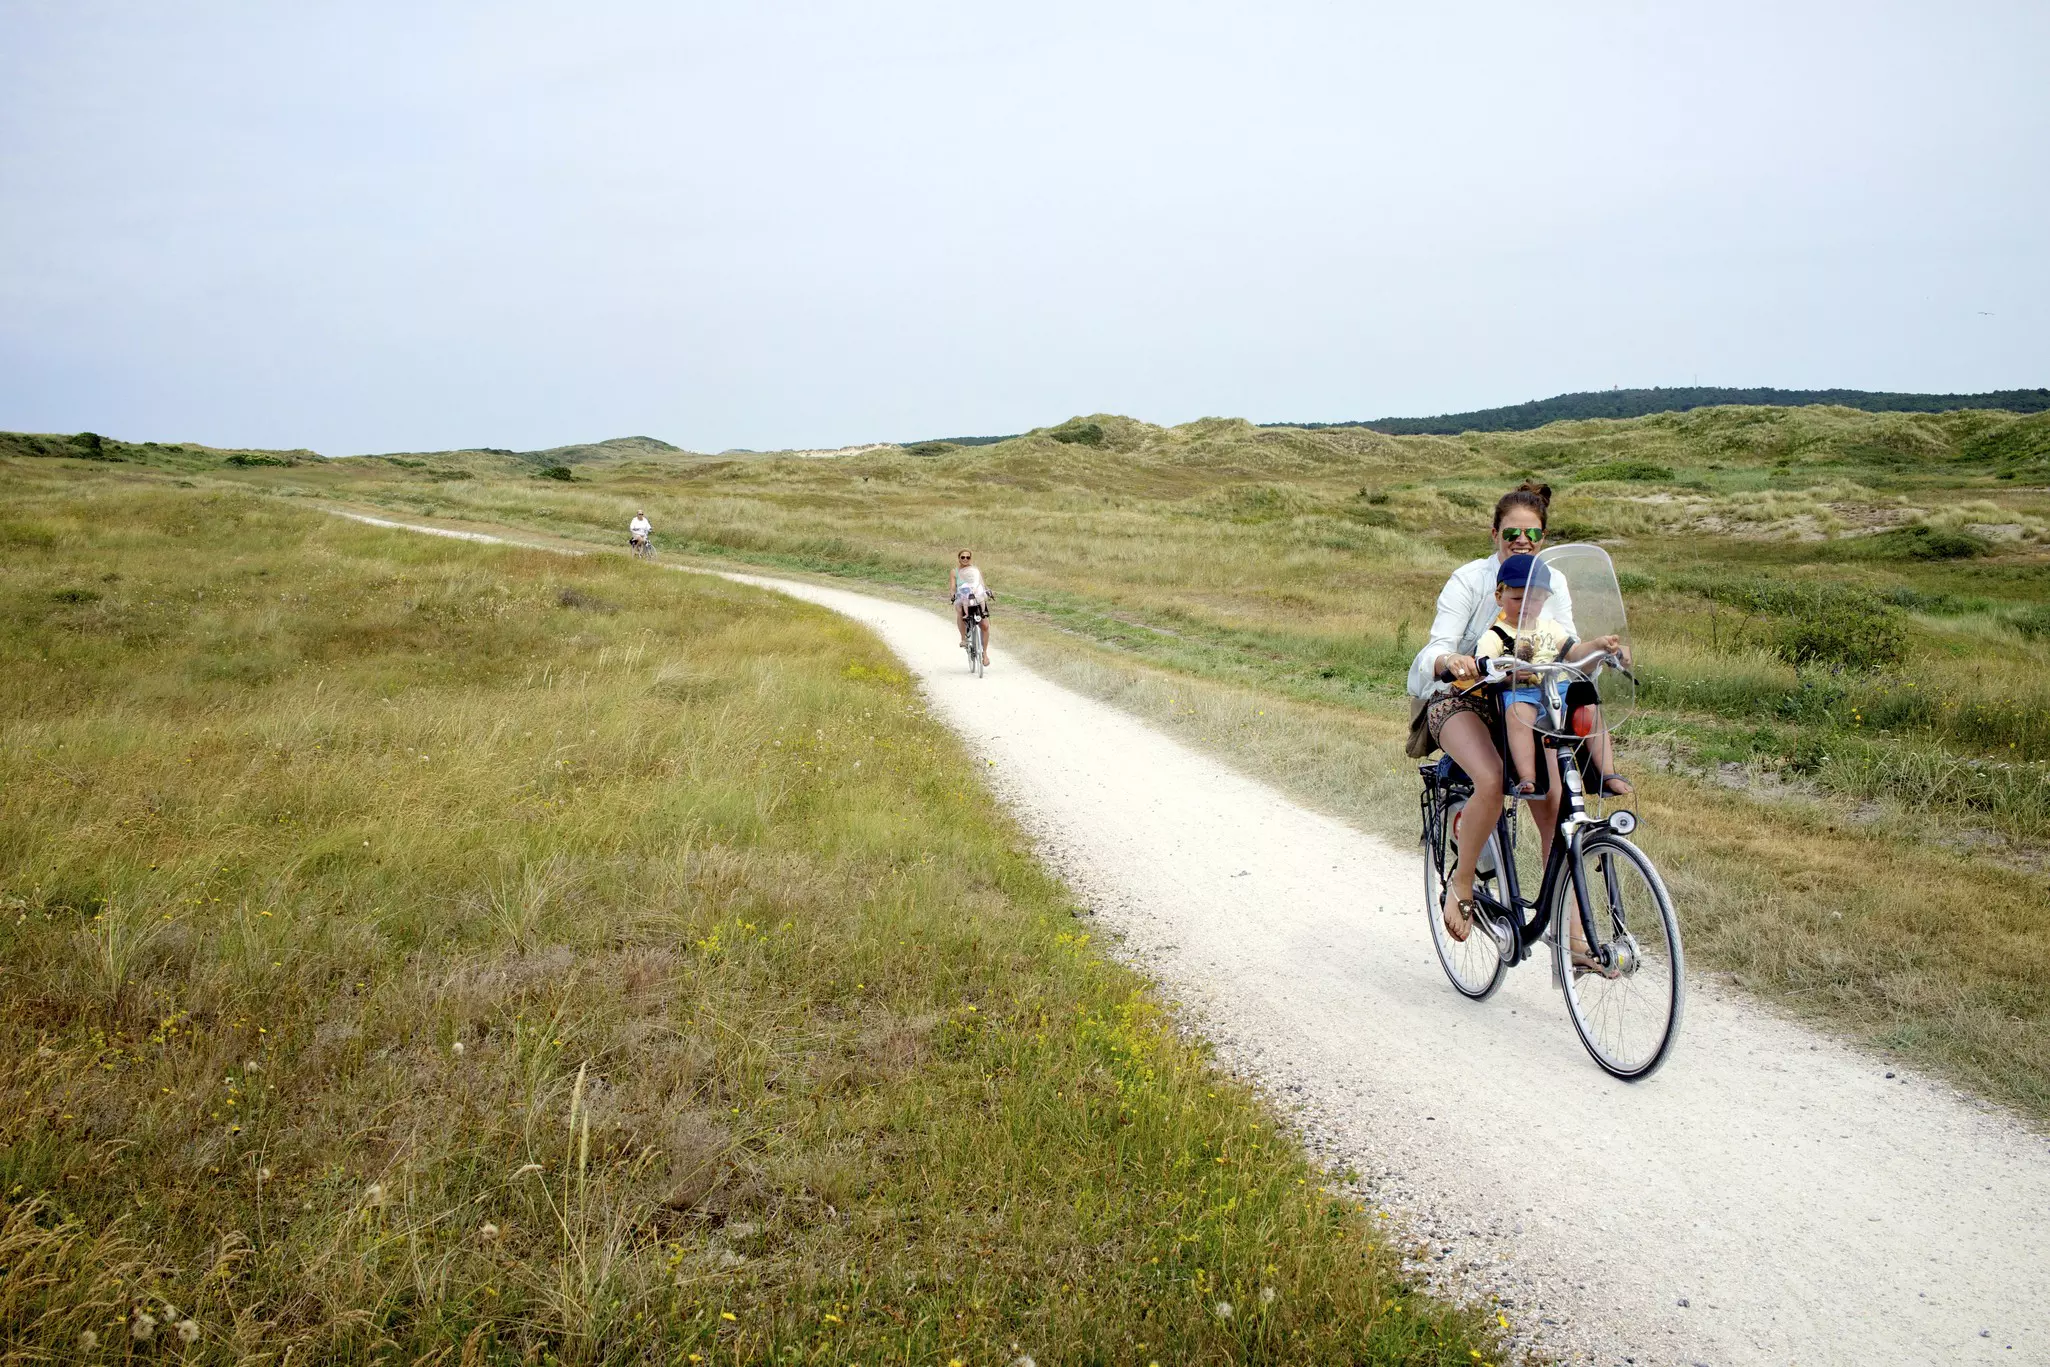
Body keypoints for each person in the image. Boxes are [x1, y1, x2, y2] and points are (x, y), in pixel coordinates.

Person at [1406, 480, 1567, 943]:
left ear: (1544, 539)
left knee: (1557, 799)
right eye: (1512, 533)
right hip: (1465, 698)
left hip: (1526, 701)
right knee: (1492, 778)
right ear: (1494, 534)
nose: (1522, 541)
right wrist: (1448, 661)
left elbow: (1567, 641)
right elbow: (1435, 647)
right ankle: (1462, 883)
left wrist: (1597, 655)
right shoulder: (1468, 580)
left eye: (1533, 535)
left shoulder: (1553, 584)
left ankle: (1575, 936)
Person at [1475, 554, 1630, 799]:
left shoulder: (1551, 626)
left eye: (1535, 600)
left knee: (1590, 709)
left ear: (1546, 599)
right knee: (1518, 715)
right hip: (1521, 692)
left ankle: (1607, 774)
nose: (1527, 605)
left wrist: (1597, 646)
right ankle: (1527, 777)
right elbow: (1484, 669)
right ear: (1499, 597)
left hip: (1558, 688)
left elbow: (1574, 653)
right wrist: (1506, 675)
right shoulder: (1494, 635)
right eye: (1517, 598)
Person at [950, 549, 991, 665]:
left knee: (985, 625)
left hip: (976, 597)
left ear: (970, 558)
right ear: (959, 558)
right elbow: (953, 586)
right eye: (962, 557)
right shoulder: (955, 572)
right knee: (959, 611)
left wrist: (987, 591)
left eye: (968, 557)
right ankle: (963, 638)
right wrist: (953, 594)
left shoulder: (975, 570)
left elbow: (981, 583)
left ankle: (984, 653)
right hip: (962, 597)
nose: (965, 559)